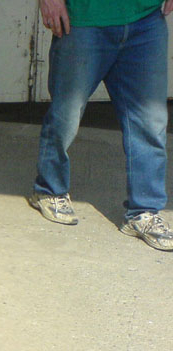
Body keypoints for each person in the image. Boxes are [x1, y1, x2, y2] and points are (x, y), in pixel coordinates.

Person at [30, 0, 173, 251]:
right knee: (66, 114)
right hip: (83, 18)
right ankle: (49, 189)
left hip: (145, 17)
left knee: (150, 121)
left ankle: (144, 211)